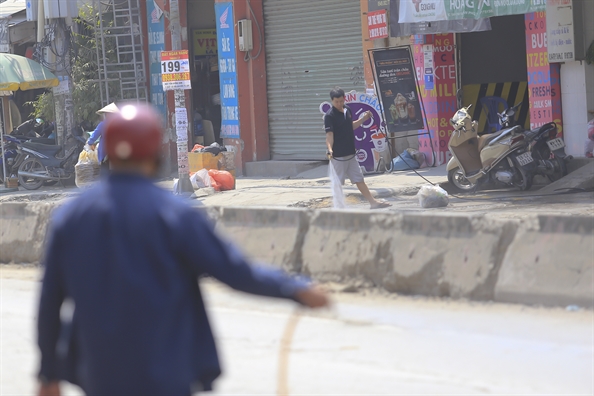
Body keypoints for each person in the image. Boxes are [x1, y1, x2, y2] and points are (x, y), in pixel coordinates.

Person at [37, 104, 329, 396]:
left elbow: (50, 300)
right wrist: (294, 289)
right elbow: (233, 270)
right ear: (156, 153)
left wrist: (48, 373)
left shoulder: (71, 217)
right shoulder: (174, 214)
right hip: (168, 372)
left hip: (99, 374)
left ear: (108, 152)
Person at [324, 87, 392, 209]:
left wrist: (363, 119)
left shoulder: (347, 110)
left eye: (341, 101)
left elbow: (351, 126)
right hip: (338, 156)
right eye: (336, 102)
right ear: (331, 101)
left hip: (351, 153)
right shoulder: (330, 116)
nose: (339, 104)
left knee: (359, 179)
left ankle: (373, 202)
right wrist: (330, 149)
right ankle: (339, 207)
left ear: (344, 99)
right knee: (338, 183)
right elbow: (329, 135)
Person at [87, 102, 119, 173]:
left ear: (107, 114)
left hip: (105, 154)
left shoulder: (103, 124)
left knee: (105, 176)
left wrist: (89, 143)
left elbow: (93, 137)